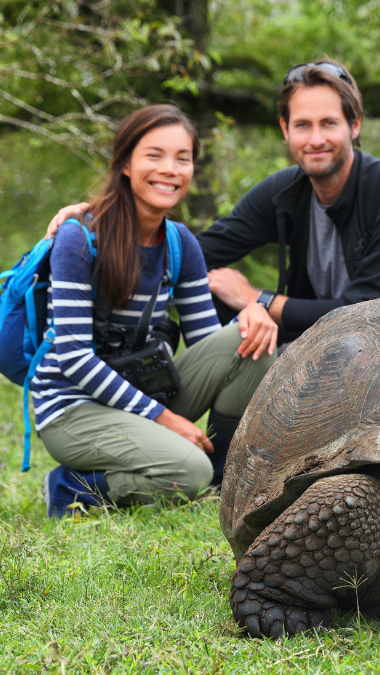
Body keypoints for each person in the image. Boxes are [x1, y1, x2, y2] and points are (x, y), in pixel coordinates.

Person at [49, 59, 380, 347]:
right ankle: (226, 448)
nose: (315, 139)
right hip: (318, 343)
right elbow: (192, 252)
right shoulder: (286, 191)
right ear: (285, 130)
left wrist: (258, 300)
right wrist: (101, 218)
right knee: (216, 289)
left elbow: (364, 313)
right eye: (303, 125)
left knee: (237, 296)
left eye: (329, 124)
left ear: (354, 126)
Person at [35, 104, 276, 518]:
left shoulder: (181, 243)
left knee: (253, 341)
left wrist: (250, 314)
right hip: (72, 407)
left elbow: (207, 345)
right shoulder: (78, 237)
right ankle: (71, 487)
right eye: (154, 155)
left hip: (138, 396)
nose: (170, 169)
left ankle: (221, 480)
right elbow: (73, 358)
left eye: (182, 159)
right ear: (126, 163)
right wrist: (167, 420)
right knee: (186, 472)